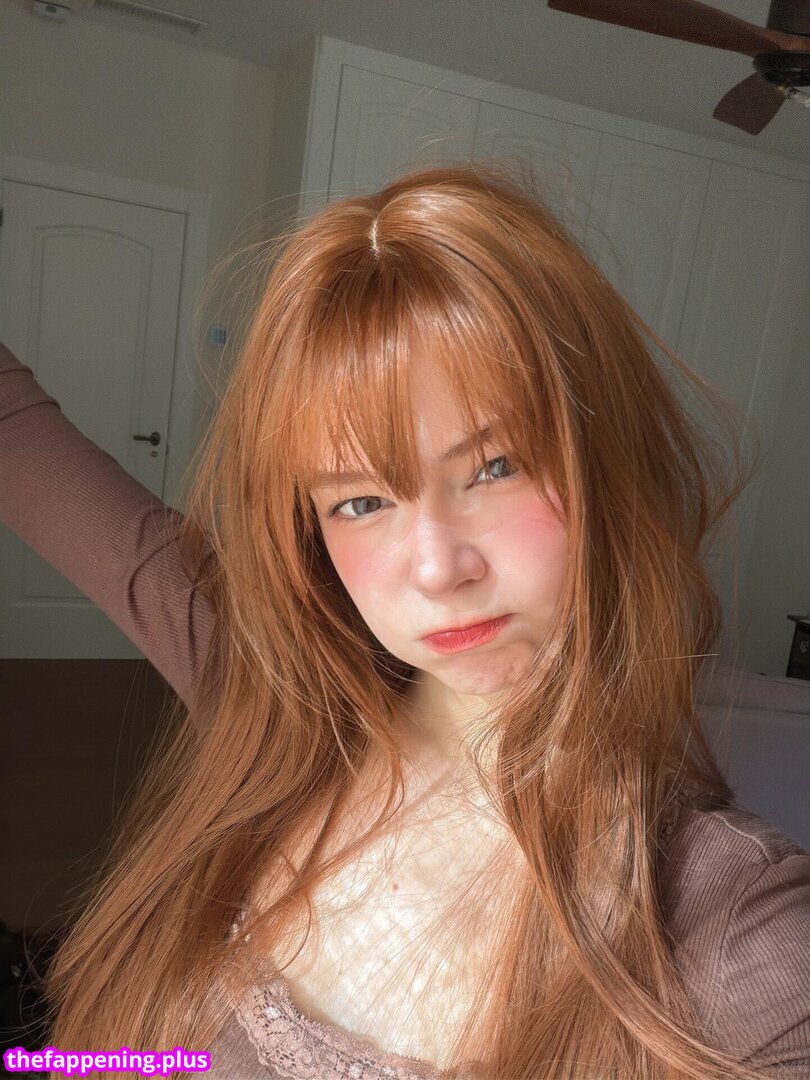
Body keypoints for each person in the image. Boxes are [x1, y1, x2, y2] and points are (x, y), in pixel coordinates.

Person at [0, 161, 808, 1080]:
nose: (437, 569)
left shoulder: (733, 932)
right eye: (361, 502)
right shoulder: (276, 688)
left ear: (606, 468)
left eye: (495, 467)